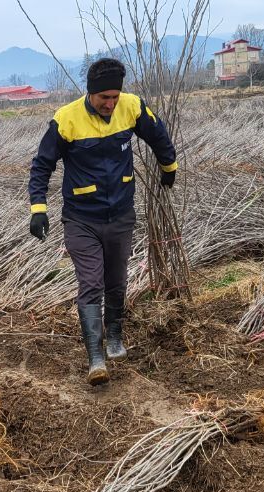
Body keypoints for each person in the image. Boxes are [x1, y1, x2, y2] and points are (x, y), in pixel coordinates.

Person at [27, 57, 178, 385]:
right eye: (103, 98)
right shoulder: (66, 120)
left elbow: (159, 135)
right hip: (81, 219)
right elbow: (42, 166)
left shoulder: (132, 107)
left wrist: (169, 167)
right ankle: (96, 357)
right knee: (91, 283)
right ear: (90, 94)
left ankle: (114, 337)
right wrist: (38, 208)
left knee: (116, 281)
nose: (110, 104)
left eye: (114, 97)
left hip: (121, 214)